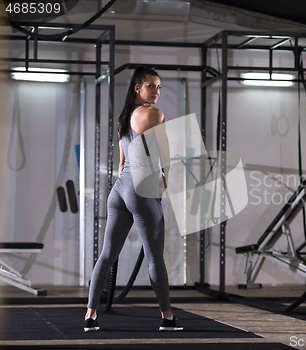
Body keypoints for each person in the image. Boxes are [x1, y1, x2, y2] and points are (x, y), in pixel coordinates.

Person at [84, 65, 182, 332]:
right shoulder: (155, 114)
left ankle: (91, 315)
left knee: (107, 255)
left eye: (159, 87)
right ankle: (168, 318)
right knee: (154, 259)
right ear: (137, 88)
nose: (157, 91)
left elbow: (122, 161)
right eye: (151, 86)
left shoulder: (124, 117)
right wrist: (163, 183)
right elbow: (165, 158)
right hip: (142, 189)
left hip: (120, 190)